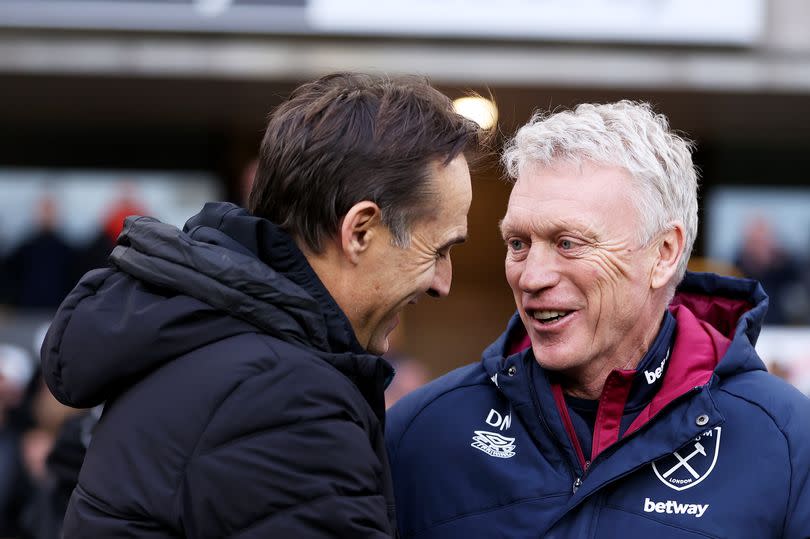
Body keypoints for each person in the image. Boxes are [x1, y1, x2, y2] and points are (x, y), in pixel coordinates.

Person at [40, 72, 481, 538]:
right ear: (360, 232)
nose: (442, 283)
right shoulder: (288, 401)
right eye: (439, 250)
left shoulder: (206, 337)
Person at [386, 101, 810, 538]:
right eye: (518, 243)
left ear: (663, 253)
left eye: (568, 243)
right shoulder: (420, 433)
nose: (532, 276)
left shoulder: (787, 440)